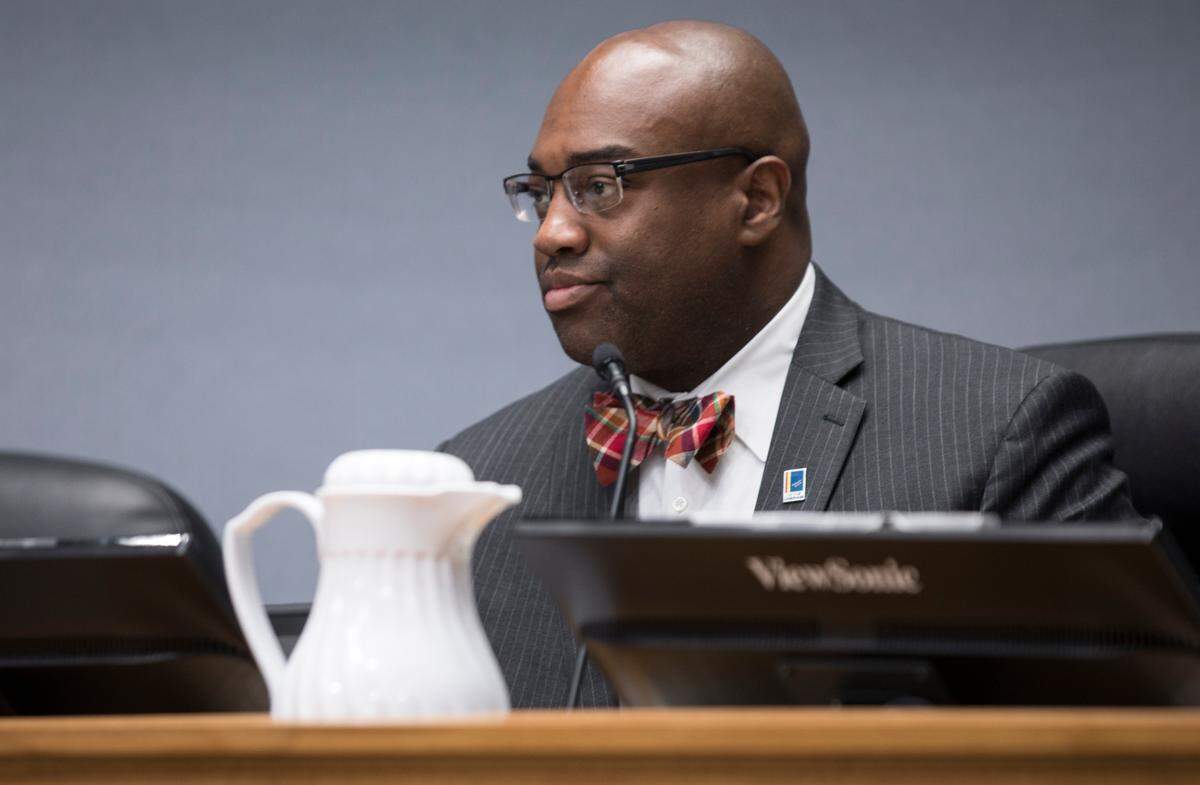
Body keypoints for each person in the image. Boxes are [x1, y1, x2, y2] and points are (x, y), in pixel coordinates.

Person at [439, 20, 1139, 708]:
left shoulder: (996, 433)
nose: (554, 232)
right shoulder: (475, 489)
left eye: (600, 185)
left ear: (757, 200)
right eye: (542, 193)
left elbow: (1143, 734)